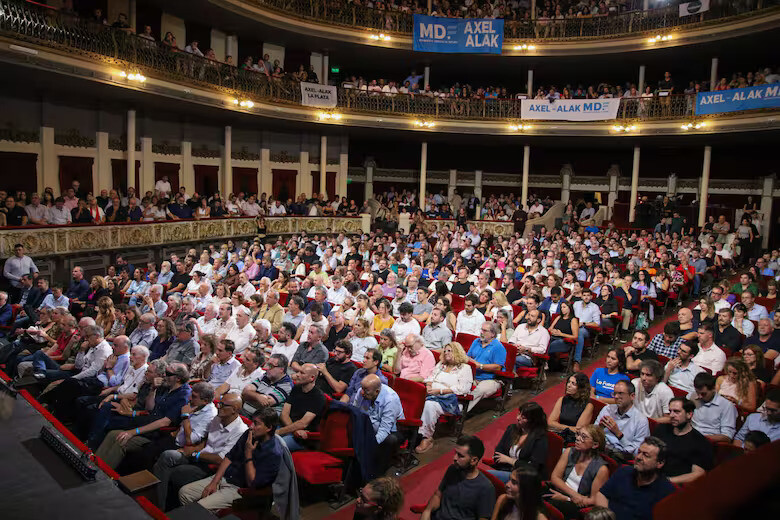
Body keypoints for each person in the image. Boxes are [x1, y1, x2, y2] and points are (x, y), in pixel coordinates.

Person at [152, 393, 248, 510]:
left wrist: (195, 454)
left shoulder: (241, 431)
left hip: (210, 467)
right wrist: (194, 449)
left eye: (223, 405)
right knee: (167, 455)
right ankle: (157, 505)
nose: (219, 407)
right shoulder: (217, 419)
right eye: (219, 403)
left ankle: (165, 509)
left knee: (176, 473)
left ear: (234, 409)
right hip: (198, 455)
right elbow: (206, 440)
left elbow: (220, 459)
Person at [177, 407, 282, 512]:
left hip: (239, 489)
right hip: (225, 477)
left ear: (268, 428)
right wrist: (214, 482)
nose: (251, 426)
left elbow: (252, 482)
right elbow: (229, 456)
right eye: (252, 422)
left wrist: (248, 453)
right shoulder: (249, 434)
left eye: (256, 423)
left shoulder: (273, 453)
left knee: (200, 507)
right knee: (185, 493)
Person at [594, 437, 676, 520]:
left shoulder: (666, 492)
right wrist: (606, 516)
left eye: (646, 455)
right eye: (639, 452)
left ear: (660, 463)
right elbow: (602, 494)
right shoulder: (623, 472)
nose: (639, 457)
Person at [416, 342, 474, 454]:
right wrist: (428, 386)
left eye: (450, 350)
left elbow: (464, 388)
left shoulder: (465, 368)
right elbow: (430, 377)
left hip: (451, 400)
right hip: (432, 395)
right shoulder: (441, 365)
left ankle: (426, 437)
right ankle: (413, 432)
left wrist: (441, 391)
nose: (446, 353)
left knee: (429, 405)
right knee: (417, 400)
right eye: (445, 350)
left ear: (457, 352)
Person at [420, 435, 496, 520]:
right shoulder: (453, 469)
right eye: (455, 453)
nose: (454, 458)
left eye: (460, 456)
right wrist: (427, 511)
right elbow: (438, 495)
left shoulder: (486, 488)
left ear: (474, 460)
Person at [547, 425, 609, 519]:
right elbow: (555, 477)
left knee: (549, 506)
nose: (578, 439)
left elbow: (594, 500)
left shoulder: (601, 469)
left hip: (576, 505)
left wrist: (567, 499)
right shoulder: (569, 452)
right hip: (562, 492)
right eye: (578, 434)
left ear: (595, 445)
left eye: (583, 437)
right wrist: (574, 495)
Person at [349, 374, 404, 477]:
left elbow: (384, 430)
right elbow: (354, 413)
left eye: (366, 390)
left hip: (391, 430)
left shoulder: (390, 399)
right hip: (370, 424)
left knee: (388, 440)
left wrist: (369, 445)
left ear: (377, 392)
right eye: (362, 388)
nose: (362, 392)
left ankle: (374, 475)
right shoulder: (363, 392)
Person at [653, 397, 713, 484]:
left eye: (676, 412)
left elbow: (698, 474)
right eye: (670, 411)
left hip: (674, 485)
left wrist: (667, 481)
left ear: (689, 414)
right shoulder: (661, 429)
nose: (671, 415)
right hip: (652, 476)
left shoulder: (700, 442)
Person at [488, 402, 549, 482]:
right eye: (519, 414)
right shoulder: (511, 429)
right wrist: (518, 464)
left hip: (525, 477)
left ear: (533, 421)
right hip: (507, 469)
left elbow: (533, 468)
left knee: (488, 476)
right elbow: (498, 453)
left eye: (523, 417)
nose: (518, 418)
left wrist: (510, 460)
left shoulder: (540, 439)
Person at [594, 380, 650, 462]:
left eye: (620, 393)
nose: (616, 397)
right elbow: (592, 434)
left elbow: (637, 452)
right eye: (614, 393)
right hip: (599, 450)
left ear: (632, 396)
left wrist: (619, 434)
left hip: (620, 458)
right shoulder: (607, 409)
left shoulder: (641, 421)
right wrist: (599, 428)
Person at [277, 363, 327, 452]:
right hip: (292, 430)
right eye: (298, 372)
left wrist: (278, 432)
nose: (297, 375)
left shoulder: (318, 397)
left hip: (302, 439)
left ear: (312, 378)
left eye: (302, 373)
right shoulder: (296, 388)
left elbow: (303, 423)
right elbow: (284, 414)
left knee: (277, 445)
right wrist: (293, 431)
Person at [466, 322, 507, 412]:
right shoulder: (476, 342)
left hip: (491, 379)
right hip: (473, 376)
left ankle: (461, 413)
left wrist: (479, 366)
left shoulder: (498, 347)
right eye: (481, 329)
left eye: (485, 331)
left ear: (493, 334)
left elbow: (498, 367)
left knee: (479, 391)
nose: (481, 332)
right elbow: (468, 356)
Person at [690, 372, 737, 443]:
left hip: (709, 442)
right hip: (690, 435)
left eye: (703, 394)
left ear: (713, 389)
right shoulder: (692, 396)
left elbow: (727, 436)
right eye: (697, 392)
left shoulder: (727, 406)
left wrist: (702, 438)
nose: (699, 396)